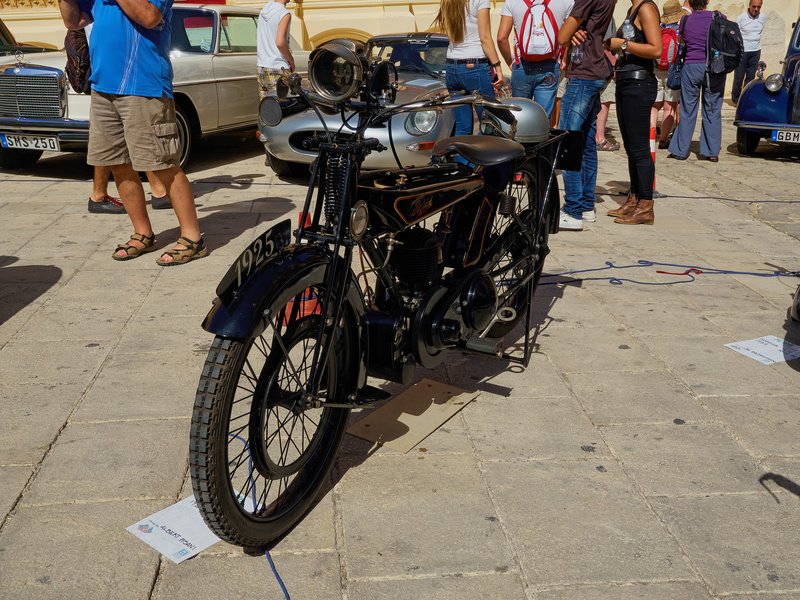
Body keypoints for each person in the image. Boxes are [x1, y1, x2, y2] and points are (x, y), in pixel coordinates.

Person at [59, 0, 206, 265]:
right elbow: (74, 21)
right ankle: (143, 233)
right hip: (103, 85)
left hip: (144, 84)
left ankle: (192, 238)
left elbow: (149, 16)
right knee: (118, 163)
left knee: (162, 164)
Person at [555, 0, 615, 231]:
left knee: (569, 142)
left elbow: (562, 37)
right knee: (587, 144)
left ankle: (573, 210)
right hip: (594, 70)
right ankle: (586, 206)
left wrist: (571, 32)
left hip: (584, 75)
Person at [606, 0, 662, 225]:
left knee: (639, 148)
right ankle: (635, 197)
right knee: (631, 146)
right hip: (627, 82)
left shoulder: (646, 8)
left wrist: (623, 44)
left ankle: (646, 206)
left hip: (639, 84)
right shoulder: (632, 10)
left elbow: (656, 49)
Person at [433, 0, 504, 137]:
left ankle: (462, 158)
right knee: (489, 125)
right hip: (474, 67)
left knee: (462, 127)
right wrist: (497, 66)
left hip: (452, 67)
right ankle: (479, 157)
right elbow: (485, 38)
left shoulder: (447, 2)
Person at [667, 0, 726, 162]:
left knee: (687, 109)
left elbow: (682, 42)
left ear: (690, 3)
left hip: (691, 66)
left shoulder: (685, 20)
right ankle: (712, 152)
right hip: (714, 68)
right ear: (707, 2)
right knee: (713, 108)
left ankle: (680, 150)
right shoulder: (719, 16)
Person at [496, 0, 574, 119]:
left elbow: (501, 38)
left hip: (521, 64)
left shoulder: (512, 2)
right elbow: (570, 34)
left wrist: (510, 62)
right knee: (542, 116)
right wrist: (564, 58)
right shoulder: (566, 1)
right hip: (551, 65)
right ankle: (541, 137)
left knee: (519, 116)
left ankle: (521, 137)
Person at [652, 0, 682, 149]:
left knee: (654, 106)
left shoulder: (658, 27)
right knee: (669, 107)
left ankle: (651, 137)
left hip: (656, 68)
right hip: (673, 70)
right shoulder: (680, 29)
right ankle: (663, 139)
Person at [257, 0, 295, 100]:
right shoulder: (284, 14)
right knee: (282, 109)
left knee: (267, 110)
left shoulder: (264, 10)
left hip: (262, 67)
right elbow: (280, 43)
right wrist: (291, 60)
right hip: (278, 68)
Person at [732, 0, 764, 106]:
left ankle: (746, 97)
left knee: (751, 77)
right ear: (749, 5)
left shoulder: (762, 17)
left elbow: (760, 31)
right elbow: (735, 34)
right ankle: (736, 98)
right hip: (743, 51)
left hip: (756, 50)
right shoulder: (741, 18)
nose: (756, 9)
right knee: (739, 76)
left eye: (758, 7)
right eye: (754, 6)